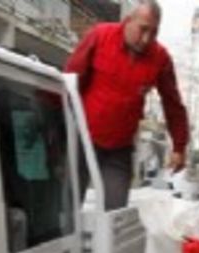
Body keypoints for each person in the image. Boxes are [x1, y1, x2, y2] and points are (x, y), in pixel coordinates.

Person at [64, 0, 189, 209]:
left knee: (114, 216)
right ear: (128, 21)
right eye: (143, 29)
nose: (147, 39)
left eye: (154, 32)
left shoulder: (160, 58)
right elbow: (71, 81)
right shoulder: (99, 36)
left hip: (119, 149)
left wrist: (179, 146)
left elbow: (173, 104)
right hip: (83, 139)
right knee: (66, 210)